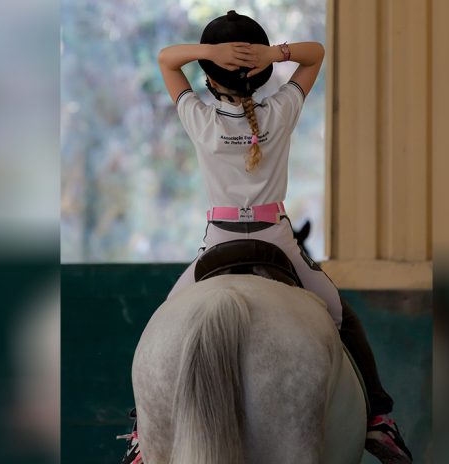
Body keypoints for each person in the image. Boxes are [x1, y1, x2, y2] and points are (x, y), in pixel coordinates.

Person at [123, 10, 412, 464]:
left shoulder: (200, 118)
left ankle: (143, 432)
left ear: (210, 79)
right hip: (275, 239)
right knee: (340, 315)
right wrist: (274, 54)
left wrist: (207, 53)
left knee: (164, 320)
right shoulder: (281, 110)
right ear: (258, 78)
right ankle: (378, 419)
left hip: (217, 242)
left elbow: (166, 60)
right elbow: (315, 56)